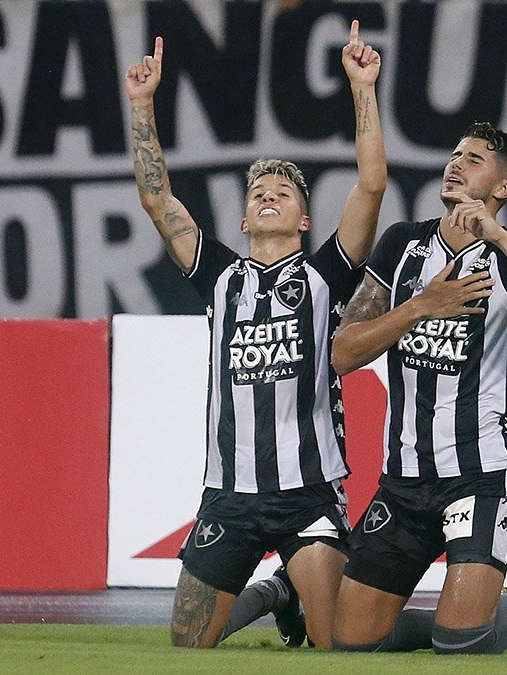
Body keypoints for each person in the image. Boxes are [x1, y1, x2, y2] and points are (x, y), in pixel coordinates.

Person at [125, 21, 385, 649]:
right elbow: (159, 202)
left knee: (335, 645)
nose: (269, 197)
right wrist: (141, 105)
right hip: (229, 496)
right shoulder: (219, 277)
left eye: (283, 192)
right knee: (187, 647)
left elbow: (371, 186)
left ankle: (290, 590)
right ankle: (275, 592)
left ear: (304, 219)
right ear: (243, 219)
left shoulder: (326, 274)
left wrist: (362, 89)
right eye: (259, 193)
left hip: (307, 493)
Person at [328, 122, 507, 654]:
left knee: (462, 645)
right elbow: (343, 353)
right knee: (352, 643)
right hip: (403, 480)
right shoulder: (402, 243)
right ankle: (493, 625)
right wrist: (422, 306)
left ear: (503, 187)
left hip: (481, 473)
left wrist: (500, 236)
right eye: (455, 154)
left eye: (474, 159)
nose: (455, 163)